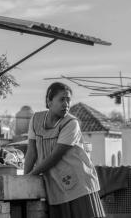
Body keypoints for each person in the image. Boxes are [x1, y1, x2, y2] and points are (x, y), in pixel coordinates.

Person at [24, 82, 105, 218]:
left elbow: (54, 157)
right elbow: (31, 152)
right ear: (49, 101)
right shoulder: (36, 119)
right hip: (55, 185)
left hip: (79, 184)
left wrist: (31, 176)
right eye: (62, 99)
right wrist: (24, 180)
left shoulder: (71, 123)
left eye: (68, 100)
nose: (66, 104)